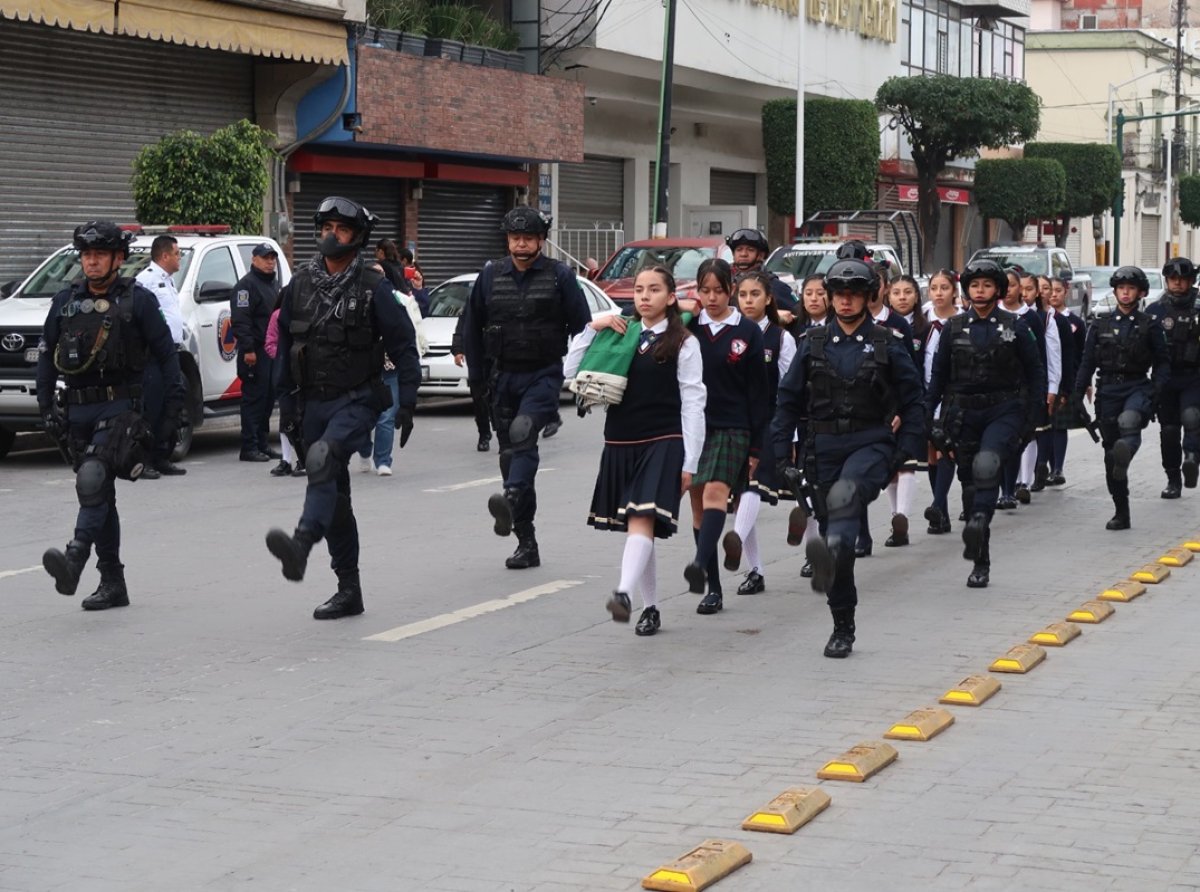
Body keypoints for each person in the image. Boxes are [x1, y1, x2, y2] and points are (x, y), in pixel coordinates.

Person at [265, 196, 421, 620]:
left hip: (357, 399)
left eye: (342, 229)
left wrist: (407, 403)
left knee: (322, 460)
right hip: (312, 401)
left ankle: (300, 544)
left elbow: (405, 347)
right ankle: (348, 589)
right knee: (334, 497)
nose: (331, 236)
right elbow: (284, 351)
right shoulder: (299, 285)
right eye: (326, 227)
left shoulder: (374, 289)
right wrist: (286, 411)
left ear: (358, 239)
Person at [770, 258, 925, 657]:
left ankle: (843, 621)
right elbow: (787, 402)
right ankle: (842, 622)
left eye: (853, 294)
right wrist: (780, 454)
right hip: (821, 449)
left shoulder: (888, 342)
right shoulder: (813, 342)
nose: (845, 301)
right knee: (835, 540)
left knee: (841, 513)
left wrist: (906, 449)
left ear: (868, 297)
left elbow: (913, 400)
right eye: (838, 294)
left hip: (869, 444)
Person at [37, 221, 185, 609]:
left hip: (121, 407)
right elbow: (45, 357)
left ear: (118, 258)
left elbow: (168, 357)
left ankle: (74, 559)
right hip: (78, 409)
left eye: (100, 255)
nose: (92, 262)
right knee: (100, 494)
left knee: (93, 479)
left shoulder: (138, 300)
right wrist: (45, 406)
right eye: (86, 255)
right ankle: (113, 582)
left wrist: (172, 412)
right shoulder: (65, 301)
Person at [566, 266, 706, 636]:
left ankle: (623, 593)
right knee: (636, 525)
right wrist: (590, 328)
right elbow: (570, 371)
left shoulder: (684, 342)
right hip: (620, 440)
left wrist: (690, 461)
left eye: (655, 289)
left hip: (665, 439)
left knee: (642, 516)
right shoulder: (619, 333)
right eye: (640, 289)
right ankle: (651, 607)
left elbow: (693, 402)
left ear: (671, 297)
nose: (644, 296)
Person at [462, 207, 592, 569]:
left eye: (528, 238)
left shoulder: (559, 276)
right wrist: (475, 379)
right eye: (515, 238)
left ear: (540, 240)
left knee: (523, 434)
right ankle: (526, 540)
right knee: (510, 457)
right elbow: (471, 328)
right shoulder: (489, 276)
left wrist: (584, 381)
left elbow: (584, 330)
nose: (521, 244)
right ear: (507, 240)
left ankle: (511, 494)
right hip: (501, 377)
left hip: (544, 373)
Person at [926, 260, 1045, 589]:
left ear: (998, 290)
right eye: (975, 285)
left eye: (987, 285)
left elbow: (1036, 373)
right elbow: (937, 380)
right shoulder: (952, 328)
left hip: (1003, 409)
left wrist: (1033, 418)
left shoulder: (1017, 326)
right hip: (962, 413)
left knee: (988, 465)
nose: (980, 291)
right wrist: (926, 419)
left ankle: (979, 519)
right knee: (969, 485)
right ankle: (981, 559)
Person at [681, 258, 769, 614]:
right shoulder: (687, 329)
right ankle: (713, 589)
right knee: (699, 505)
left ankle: (700, 563)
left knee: (718, 491)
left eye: (719, 290)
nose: (712, 297)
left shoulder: (747, 332)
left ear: (730, 289)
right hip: (694, 427)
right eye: (705, 290)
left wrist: (757, 445)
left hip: (733, 427)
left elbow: (759, 393)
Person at [1073, 267, 1170, 529]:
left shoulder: (1150, 324)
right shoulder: (1100, 324)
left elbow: (1162, 363)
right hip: (1108, 391)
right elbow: (1086, 363)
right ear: (1115, 291)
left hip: (1137, 386)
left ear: (1140, 293)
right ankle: (1121, 511)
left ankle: (1127, 448)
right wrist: (1076, 395)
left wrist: (1157, 393)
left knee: (1129, 422)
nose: (1125, 293)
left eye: (1131, 288)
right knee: (1110, 459)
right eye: (1121, 288)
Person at [723, 270, 796, 594]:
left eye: (755, 295)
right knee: (740, 492)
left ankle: (736, 536)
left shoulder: (781, 338)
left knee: (754, 484)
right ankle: (755, 570)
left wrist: (790, 434)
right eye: (743, 295)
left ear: (768, 299)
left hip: (770, 421)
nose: (748, 301)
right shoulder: (728, 334)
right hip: (736, 421)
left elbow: (790, 389)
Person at [357, 276, 427, 476]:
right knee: (363, 416)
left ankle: (383, 460)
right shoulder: (360, 298)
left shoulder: (400, 300)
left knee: (387, 416)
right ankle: (364, 450)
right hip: (366, 369)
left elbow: (416, 321)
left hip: (392, 366)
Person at [1146, 256, 1200, 498]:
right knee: (1168, 430)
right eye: (1173, 279)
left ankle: (1191, 458)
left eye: (1183, 279)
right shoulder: (1154, 310)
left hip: (1193, 375)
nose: (1178, 283)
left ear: (1191, 281)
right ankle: (1173, 479)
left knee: (1191, 418)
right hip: (1165, 377)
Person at [135, 234, 187, 477]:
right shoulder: (145, 281)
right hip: (153, 355)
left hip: (171, 352)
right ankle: (144, 461)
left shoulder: (168, 280)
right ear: (165, 255)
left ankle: (161, 456)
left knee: (172, 405)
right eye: (177, 253)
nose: (180, 258)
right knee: (152, 408)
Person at [231, 243, 283, 463]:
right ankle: (249, 447)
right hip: (254, 352)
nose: (270, 261)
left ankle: (262, 443)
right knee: (254, 399)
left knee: (268, 398)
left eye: (272, 258)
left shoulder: (273, 284)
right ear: (254, 260)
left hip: (270, 351)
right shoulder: (246, 286)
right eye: (265, 258)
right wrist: (249, 349)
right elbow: (241, 321)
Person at [921, 269, 962, 534]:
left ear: (955, 292)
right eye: (934, 288)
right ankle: (942, 512)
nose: (938, 293)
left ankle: (937, 504)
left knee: (945, 448)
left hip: (953, 394)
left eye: (944, 288)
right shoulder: (922, 320)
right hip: (926, 393)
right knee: (931, 454)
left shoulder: (962, 321)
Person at [263, 297, 304, 477]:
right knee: (286, 417)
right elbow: (270, 343)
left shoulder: (306, 314)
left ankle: (304, 459)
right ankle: (286, 460)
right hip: (284, 373)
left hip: (305, 373)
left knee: (304, 417)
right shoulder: (277, 316)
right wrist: (283, 358)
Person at [725, 228, 798, 323]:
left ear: (761, 255)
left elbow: (799, 314)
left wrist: (776, 316)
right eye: (739, 250)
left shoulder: (775, 286)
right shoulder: (724, 284)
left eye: (750, 250)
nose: (743, 254)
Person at [453, 313, 493, 451]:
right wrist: (458, 349)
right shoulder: (475, 297)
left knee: (499, 395)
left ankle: (503, 435)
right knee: (478, 397)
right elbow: (463, 325)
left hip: (499, 353)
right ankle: (484, 434)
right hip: (476, 354)